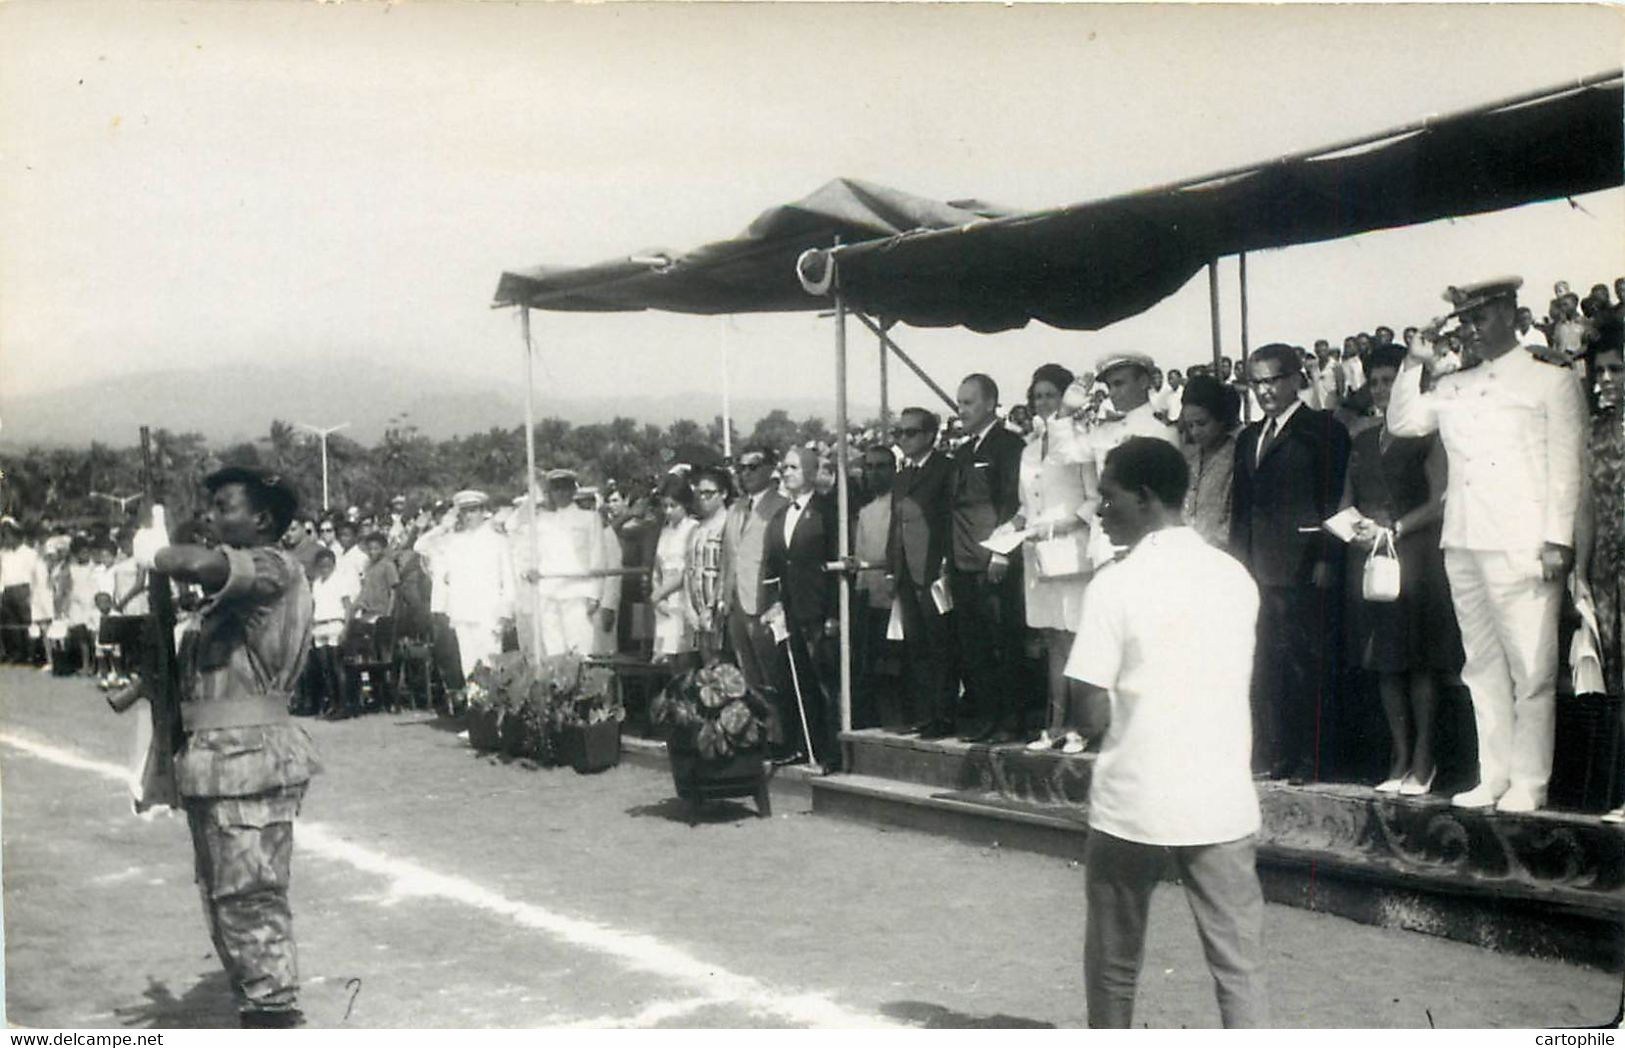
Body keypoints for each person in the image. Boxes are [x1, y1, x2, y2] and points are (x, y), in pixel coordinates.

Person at [1065, 438, 1267, 1029]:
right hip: (1220, 796)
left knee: (1114, 963)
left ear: (1146, 497)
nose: (1100, 512)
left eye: (1108, 497)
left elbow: (1089, 712)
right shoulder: (1234, 577)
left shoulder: (1114, 584)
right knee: (1240, 965)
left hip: (1135, 799)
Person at [130, 466, 321, 1027]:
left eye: (224, 506)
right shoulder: (227, 599)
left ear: (262, 519)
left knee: (251, 900)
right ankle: (257, 1010)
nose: (211, 515)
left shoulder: (273, 567)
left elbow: (195, 562)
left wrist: (158, 552)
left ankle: (275, 1019)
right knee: (224, 904)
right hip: (214, 764)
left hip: (251, 762)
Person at [1387, 277, 1585, 812]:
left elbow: (1567, 469)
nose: (1472, 329)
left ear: (1512, 315)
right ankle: (1492, 775)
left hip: (1521, 542)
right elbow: (1405, 422)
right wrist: (1414, 362)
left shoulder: (1550, 381)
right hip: (1465, 542)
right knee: (1481, 666)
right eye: (1466, 320)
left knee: (1532, 668)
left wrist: (1555, 540)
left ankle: (1529, 781)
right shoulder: (1453, 386)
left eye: (1482, 317)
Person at [1340, 343, 1462, 795]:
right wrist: (1353, 529)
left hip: (1416, 556)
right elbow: (1346, 499)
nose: (1380, 389)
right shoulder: (1362, 438)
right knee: (1386, 664)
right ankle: (1399, 755)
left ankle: (1424, 760)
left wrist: (1396, 527)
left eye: (1389, 380)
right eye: (1374, 382)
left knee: (1419, 662)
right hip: (1373, 559)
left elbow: (1439, 499)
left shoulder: (1427, 434)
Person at [1230, 342, 1351, 783]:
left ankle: (1312, 759)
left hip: (1303, 566)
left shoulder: (1322, 430)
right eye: (1256, 382)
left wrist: (1326, 558)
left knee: (1307, 665)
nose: (1264, 391)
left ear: (1295, 378)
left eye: (1272, 380)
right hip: (1259, 569)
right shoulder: (1249, 436)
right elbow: (1242, 508)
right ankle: (1277, 754)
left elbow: (1333, 500)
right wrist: (1237, 565)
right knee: (1268, 664)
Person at [1014, 364, 1095, 754]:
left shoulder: (1082, 442)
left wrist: (1065, 526)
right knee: (1052, 641)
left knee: (1075, 637)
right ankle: (1057, 724)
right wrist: (1010, 527)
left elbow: (1099, 498)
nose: (1043, 402)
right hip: (1038, 556)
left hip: (1072, 553)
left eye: (1051, 395)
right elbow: (1025, 503)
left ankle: (1082, 726)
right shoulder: (1029, 449)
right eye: (1038, 395)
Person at [948, 374, 1027, 743]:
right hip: (964, 563)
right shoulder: (963, 452)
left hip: (994, 562)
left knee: (1003, 642)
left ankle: (1011, 720)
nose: (961, 409)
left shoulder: (1010, 446)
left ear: (991, 402)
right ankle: (986, 717)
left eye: (969, 402)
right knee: (973, 645)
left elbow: (1012, 503)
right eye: (960, 402)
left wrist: (1001, 553)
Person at [763, 446, 841, 768]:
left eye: (793, 467)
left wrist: (834, 613)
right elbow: (773, 567)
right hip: (790, 611)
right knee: (794, 680)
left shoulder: (828, 512)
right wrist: (774, 605)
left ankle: (831, 752)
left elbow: (835, 563)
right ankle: (800, 745)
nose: (786, 472)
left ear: (810, 473)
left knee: (825, 683)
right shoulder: (780, 516)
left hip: (819, 609)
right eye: (784, 467)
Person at [1575, 321, 1623, 820]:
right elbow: (1585, 506)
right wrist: (1580, 572)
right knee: (1617, 679)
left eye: (1616, 369)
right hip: (1609, 572)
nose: (1604, 379)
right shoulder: (1596, 430)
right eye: (1600, 371)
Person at [887, 408, 958, 739]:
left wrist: (945, 564)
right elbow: (896, 525)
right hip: (906, 572)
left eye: (911, 433)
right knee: (917, 647)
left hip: (933, 570)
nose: (904, 439)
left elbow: (948, 521)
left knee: (940, 645)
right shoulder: (901, 476)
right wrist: (892, 567)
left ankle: (944, 716)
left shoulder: (945, 469)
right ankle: (926, 713)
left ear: (930, 435)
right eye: (899, 433)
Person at [719, 447, 790, 723]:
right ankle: (758, 731)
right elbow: (729, 557)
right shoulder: (736, 509)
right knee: (748, 674)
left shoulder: (780, 505)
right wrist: (724, 598)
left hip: (764, 601)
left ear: (770, 468)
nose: (745, 473)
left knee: (772, 671)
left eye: (752, 467)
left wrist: (777, 601)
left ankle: (781, 732)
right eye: (741, 467)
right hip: (737, 601)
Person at [436, 490, 515, 681]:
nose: (469, 516)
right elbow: (424, 548)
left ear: (483, 512)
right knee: (468, 663)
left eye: (473, 510)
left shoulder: (498, 540)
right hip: (463, 610)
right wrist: (443, 527)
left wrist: (506, 612)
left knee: (490, 661)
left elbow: (509, 579)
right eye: (464, 511)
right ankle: (475, 706)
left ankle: (492, 706)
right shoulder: (453, 542)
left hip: (489, 611)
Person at [850, 444, 899, 729]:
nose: (874, 473)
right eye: (869, 467)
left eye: (881, 466)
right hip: (871, 600)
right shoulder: (865, 511)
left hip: (894, 597)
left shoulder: (900, 505)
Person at [1178, 375, 1243, 549]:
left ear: (1221, 419)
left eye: (1201, 423)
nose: (1195, 432)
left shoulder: (1239, 455)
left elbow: (1237, 517)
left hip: (1224, 555)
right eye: (1190, 425)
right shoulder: (1190, 456)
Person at [649, 474, 699, 666]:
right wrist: (658, 596)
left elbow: (687, 569)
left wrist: (659, 594)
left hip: (682, 597)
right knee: (664, 658)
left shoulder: (692, 528)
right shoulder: (665, 530)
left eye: (673, 506)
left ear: (685, 504)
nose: (668, 511)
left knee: (682, 655)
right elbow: (657, 567)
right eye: (665, 506)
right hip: (663, 601)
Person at [683, 466, 731, 663]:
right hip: (697, 611)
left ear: (724, 494)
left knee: (725, 669)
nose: (703, 498)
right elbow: (689, 570)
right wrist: (689, 607)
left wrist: (711, 608)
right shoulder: (696, 528)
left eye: (709, 493)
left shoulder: (729, 523)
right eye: (699, 493)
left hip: (719, 612)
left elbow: (727, 568)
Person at [0, 517, 48, 663]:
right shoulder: (3, 554)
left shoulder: (29, 553)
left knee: (28, 623)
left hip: (24, 590)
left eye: (8, 534)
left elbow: (37, 574)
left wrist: (34, 593)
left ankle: (33, 654)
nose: (6, 538)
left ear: (16, 535)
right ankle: (17, 654)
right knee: (11, 624)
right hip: (7, 590)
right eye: (3, 535)